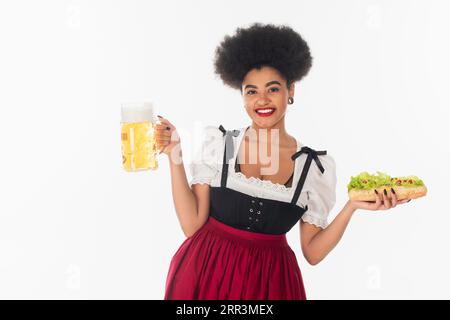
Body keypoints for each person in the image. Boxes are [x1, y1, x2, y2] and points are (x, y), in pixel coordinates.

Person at [155, 23, 410, 300]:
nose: (261, 100)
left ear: (291, 91)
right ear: (242, 97)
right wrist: (174, 155)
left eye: (272, 89)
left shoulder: (313, 168)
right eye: (251, 91)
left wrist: (352, 207)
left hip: (270, 283)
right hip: (205, 271)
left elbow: (312, 253)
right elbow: (192, 225)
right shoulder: (221, 145)